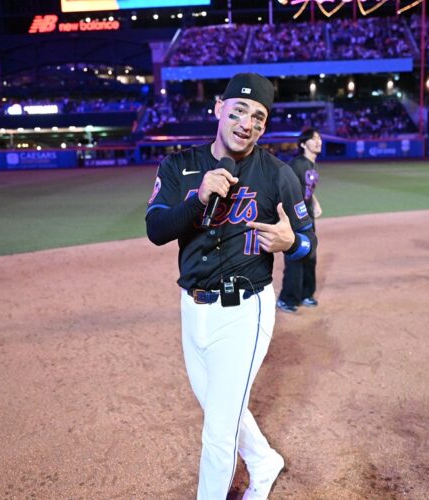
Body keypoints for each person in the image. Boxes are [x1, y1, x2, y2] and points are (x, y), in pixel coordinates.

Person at [145, 72, 316, 500]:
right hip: (193, 308)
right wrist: (197, 199)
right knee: (223, 409)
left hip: (245, 310)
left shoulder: (279, 174)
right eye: (239, 111)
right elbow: (155, 229)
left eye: (259, 117)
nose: (248, 123)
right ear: (219, 109)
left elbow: (307, 241)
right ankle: (264, 460)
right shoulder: (178, 165)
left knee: (217, 432)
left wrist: (292, 242)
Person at [277, 128, 323, 312]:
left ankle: (306, 294)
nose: (318, 141)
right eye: (313, 139)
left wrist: (315, 201)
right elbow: (285, 189)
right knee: (296, 257)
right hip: (296, 219)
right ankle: (287, 299)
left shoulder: (311, 165)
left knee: (310, 256)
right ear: (304, 144)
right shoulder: (296, 165)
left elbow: (307, 188)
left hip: (308, 216)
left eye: (319, 138)